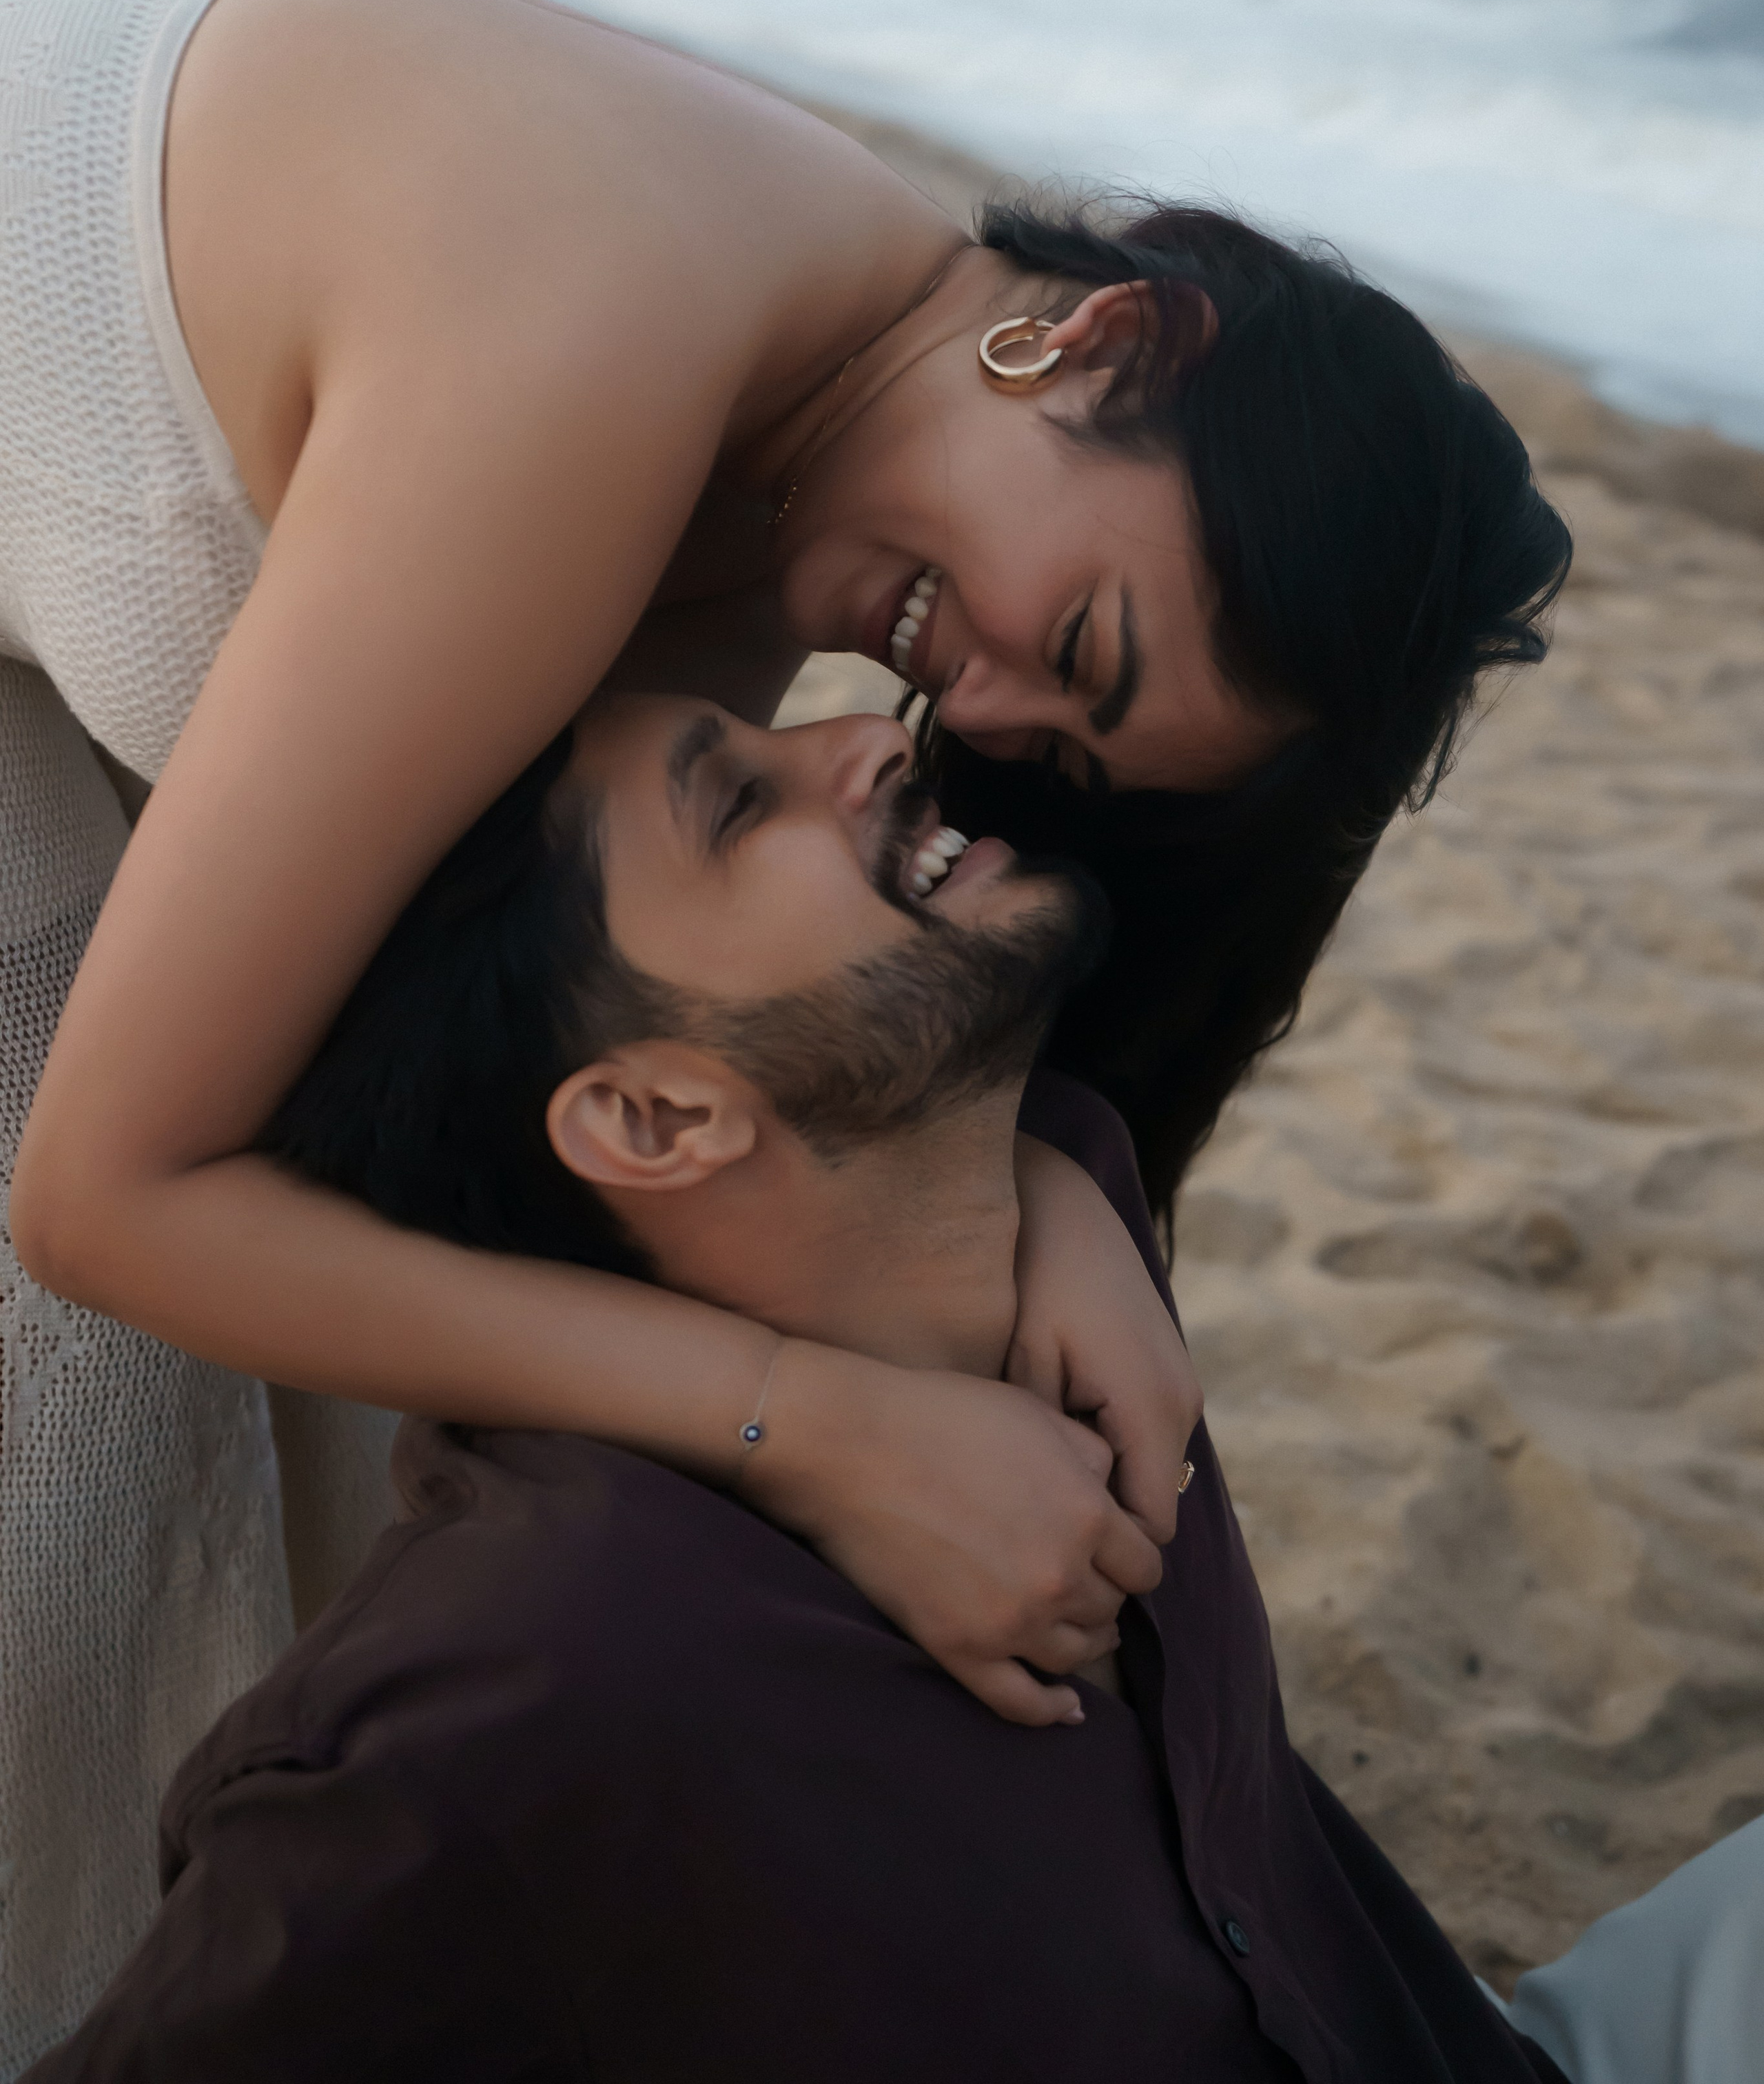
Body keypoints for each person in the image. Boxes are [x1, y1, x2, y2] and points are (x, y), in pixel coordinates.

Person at [0, 0, 1571, 2061]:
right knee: (88, 1493)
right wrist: (810, 1422)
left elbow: (593, 1012)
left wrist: (1049, 1177)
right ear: (1114, 336)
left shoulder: (801, 411)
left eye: (1067, 748)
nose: (973, 710)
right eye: (1078, 644)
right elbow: (102, 1198)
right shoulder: (594, 349)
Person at [21, 691, 1568, 2083]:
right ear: (649, 1113)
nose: (871, 734)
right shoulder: (522, 1682)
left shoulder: (1057, 1200)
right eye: (742, 803)